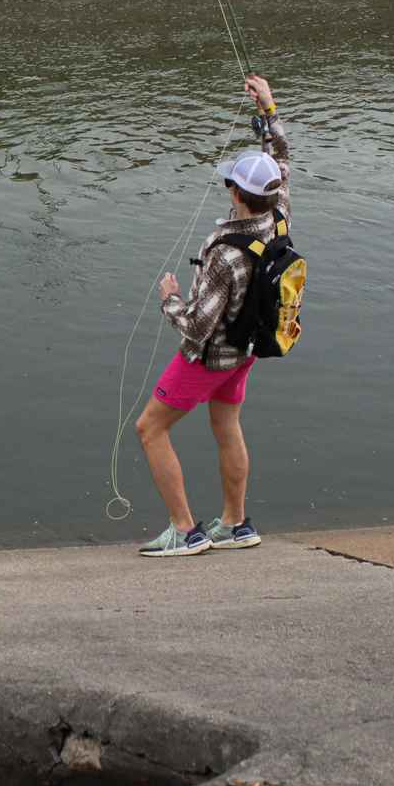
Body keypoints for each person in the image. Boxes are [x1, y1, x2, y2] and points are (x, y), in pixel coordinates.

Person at [135, 73, 290, 557]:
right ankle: (236, 523)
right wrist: (268, 109)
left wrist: (170, 298)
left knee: (150, 428)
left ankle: (184, 531)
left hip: (210, 356)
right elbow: (281, 160)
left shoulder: (224, 251)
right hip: (246, 350)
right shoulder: (280, 211)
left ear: (236, 192)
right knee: (227, 426)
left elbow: (198, 325)